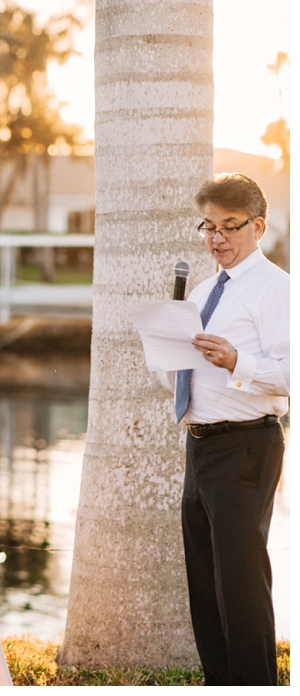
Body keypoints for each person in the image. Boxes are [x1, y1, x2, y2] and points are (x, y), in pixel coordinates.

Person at [160, 173, 289, 686]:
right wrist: (165, 348)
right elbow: (182, 372)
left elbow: (289, 374)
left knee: (240, 587)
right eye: (208, 226)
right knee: (206, 586)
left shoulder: (276, 289)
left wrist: (239, 360)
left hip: (246, 446)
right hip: (201, 446)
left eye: (229, 227)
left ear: (258, 226)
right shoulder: (205, 289)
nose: (217, 238)